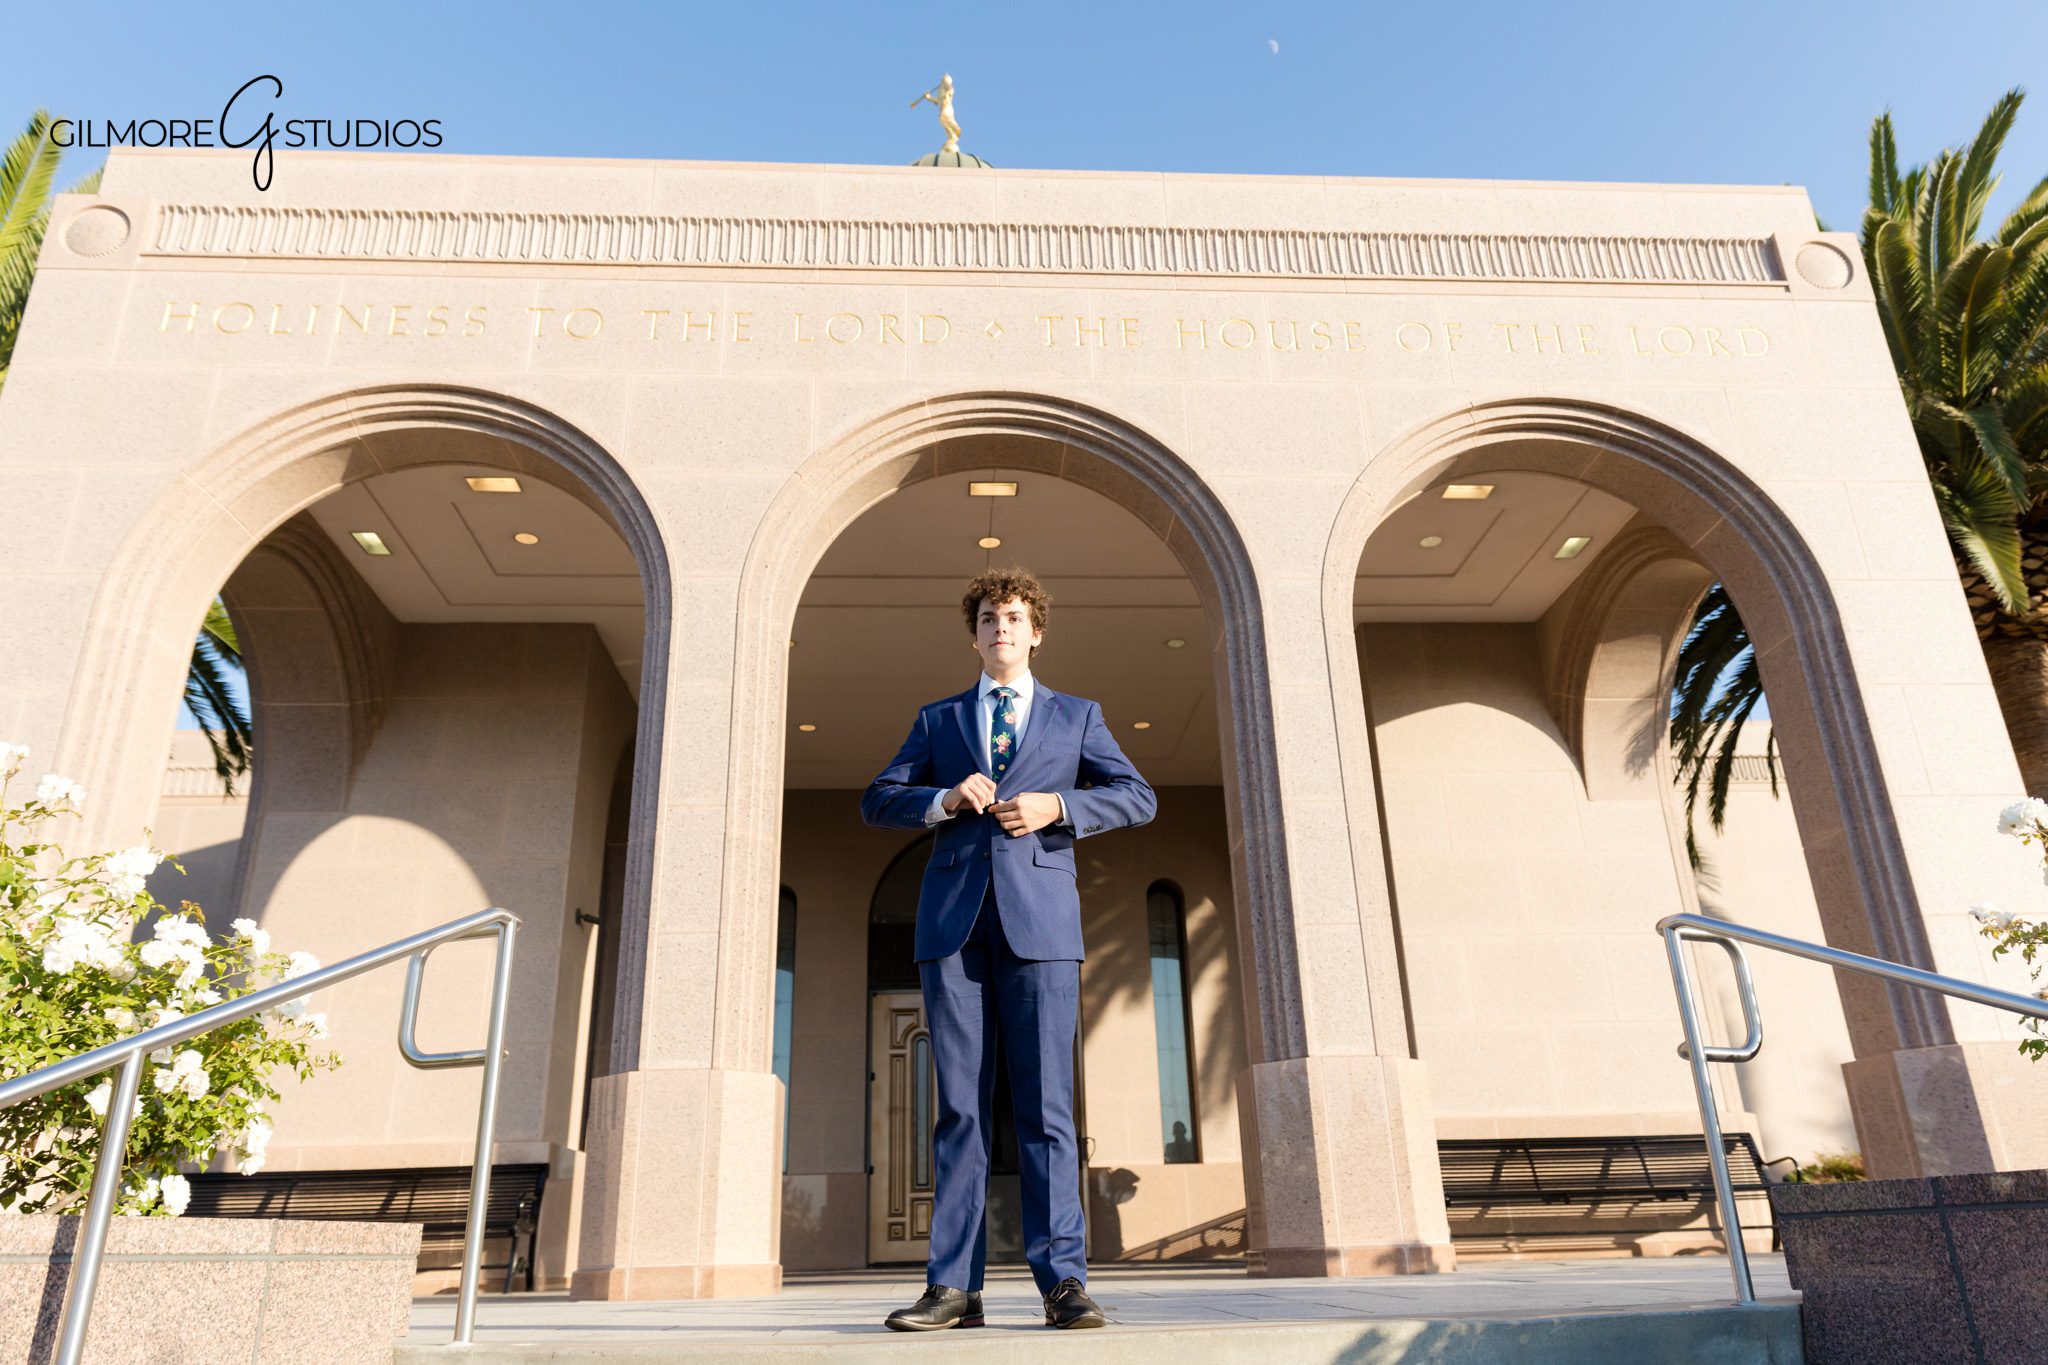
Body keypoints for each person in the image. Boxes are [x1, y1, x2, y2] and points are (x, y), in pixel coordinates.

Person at [861, 567, 1156, 1331]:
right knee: (960, 1109)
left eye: (1015, 617)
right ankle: (953, 1288)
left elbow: (1137, 795)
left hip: (1042, 927)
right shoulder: (938, 719)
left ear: (1036, 632)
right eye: (990, 618)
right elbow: (877, 797)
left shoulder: (1078, 716)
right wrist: (941, 799)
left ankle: (1063, 1282)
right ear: (975, 635)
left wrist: (1059, 804)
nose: (1002, 628)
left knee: (1047, 1106)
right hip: (953, 928)